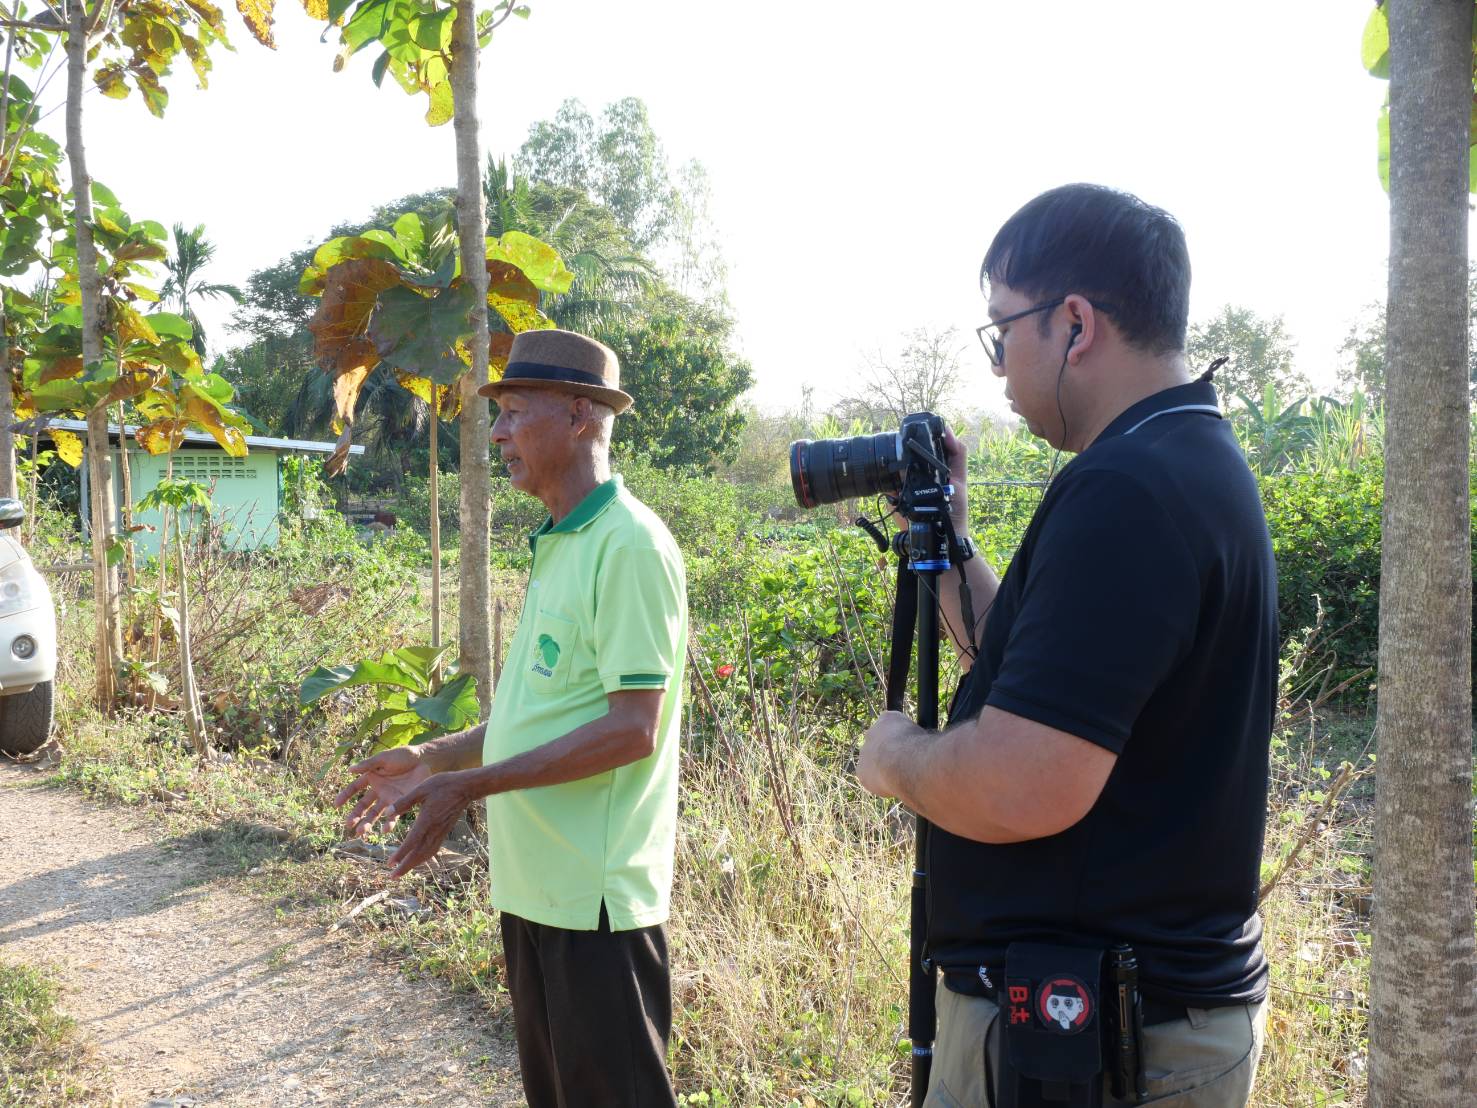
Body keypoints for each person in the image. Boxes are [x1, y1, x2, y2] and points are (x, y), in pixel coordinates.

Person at [857, 184, 1275, 1107]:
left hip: (1102, 1040)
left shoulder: (1124, 489)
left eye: (1000, 330)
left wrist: (895, 759)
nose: (998, 369)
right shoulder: (1181, 460)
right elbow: (1041, 685)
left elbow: (1023, 781)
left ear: (1073, 324)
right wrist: (948, 540)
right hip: (1117, 1020)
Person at [334, 329, 687, 1108]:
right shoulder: (561, 542)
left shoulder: (626, 545)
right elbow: (538, 713)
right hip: (535, 894)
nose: (495, 433)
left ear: (579, 415)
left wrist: (471, 787)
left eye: (513, 411)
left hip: (596, 904)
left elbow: (634, 729)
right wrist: (435, 756)